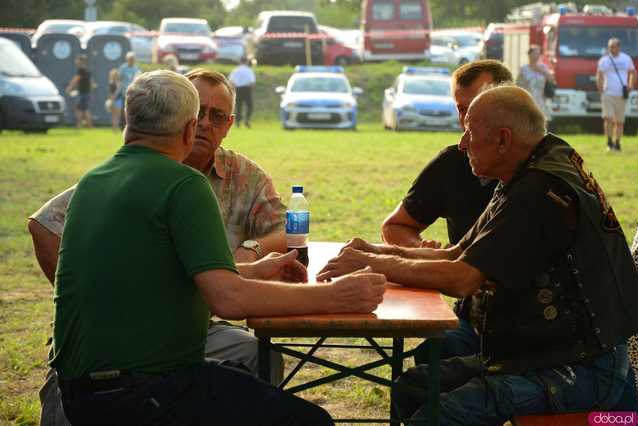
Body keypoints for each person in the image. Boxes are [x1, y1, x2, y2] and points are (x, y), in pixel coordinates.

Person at [50, 69, 386, 426]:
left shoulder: (93, 181)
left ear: (126, 119)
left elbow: (163, 273)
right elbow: (228, 300)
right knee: (310, 421)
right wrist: (337, 296)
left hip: (79, 392)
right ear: (187, 128)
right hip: (144, 390)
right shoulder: (184, 184)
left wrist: (253, 271)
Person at [318, 85, 638, 424]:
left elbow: (462, 278)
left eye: (470, 133)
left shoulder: (540, 191)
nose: (462, 143)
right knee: (414, 387)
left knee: (441, 417)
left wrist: (374, 263)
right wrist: (375, 250)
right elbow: (459, 253)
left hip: (582, 369)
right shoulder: (530, 168)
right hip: (546, 353)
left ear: (503, 139)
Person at [29, 69, 287, 425]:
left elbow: (283, 229)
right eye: (199, 114)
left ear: (229, 125)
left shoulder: (244, 175)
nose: (204, 125)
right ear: (182, 122)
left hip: (201, 330)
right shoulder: (134, 176)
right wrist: (99, 301)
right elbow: (43, 225)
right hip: (132, 353)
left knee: (259, 355)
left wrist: (253, 252)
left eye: (217, 116)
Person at [381, 60, 512, 364]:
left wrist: (378, 261)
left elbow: (463, 276)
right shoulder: (452, 164)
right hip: (474, 319)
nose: (466, 123)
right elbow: (396, 226)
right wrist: (417, 249)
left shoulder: (535, 175)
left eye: (475, 109)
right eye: (461, 109)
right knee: (432, 359)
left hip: (534, 332)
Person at [596, 37, 637, 151]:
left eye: (613, 47)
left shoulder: (626, 58)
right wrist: (601, 90)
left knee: (619, 122)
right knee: (608, 119)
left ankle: (617, 143)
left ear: (618, 47)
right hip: (608, 94)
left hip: (621, 94)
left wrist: (630, 86)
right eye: (610, 47)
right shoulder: (604, 60)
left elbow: (633, 73)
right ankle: (609, 143)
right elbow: (599, 75)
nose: (611, 49)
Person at [516, 44, 555, 121]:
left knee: (541, 123)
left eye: (538, 54)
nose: (537, 56)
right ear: (529, 54)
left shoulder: (543, 67)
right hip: (528, 101)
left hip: (541, 101)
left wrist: (541, 70)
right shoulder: (524, 69)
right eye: (535, 53)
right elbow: (518, 85)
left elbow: (551, 80)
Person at [114, 51, 141, 129]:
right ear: (127, 59)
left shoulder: (136, 68)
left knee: (132, 109)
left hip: (133, 92)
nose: (131, 60)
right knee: (123, 109)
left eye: (132, 59)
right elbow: (118, 78)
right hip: (124, 92)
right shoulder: (123, 68)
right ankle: (122, 125)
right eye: (130, 59)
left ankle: (132, 125)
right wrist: (119, 87)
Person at [65, 55, 93, 128]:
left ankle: (79, 125)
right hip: (86, 91)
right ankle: (87, 125)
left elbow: (76, 79)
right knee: (83, 108)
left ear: (81, 61)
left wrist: (69, 88)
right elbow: (91, 81)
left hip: (82, 92)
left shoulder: (80, 69)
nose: (76, 61)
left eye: (77, 60)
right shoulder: (87, 69)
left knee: (80, 109)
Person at [228, 56, 255, 128]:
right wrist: (251, 90)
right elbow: (252, 82)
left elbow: (231, 81)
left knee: (238, 106)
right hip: (247, 89)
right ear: (246, 62)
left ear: (240, 62)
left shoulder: (235, 70)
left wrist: (232, 89)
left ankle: (237, 122)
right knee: (250, 106)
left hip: (238, 89)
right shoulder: (249, 70)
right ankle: (247, 120)